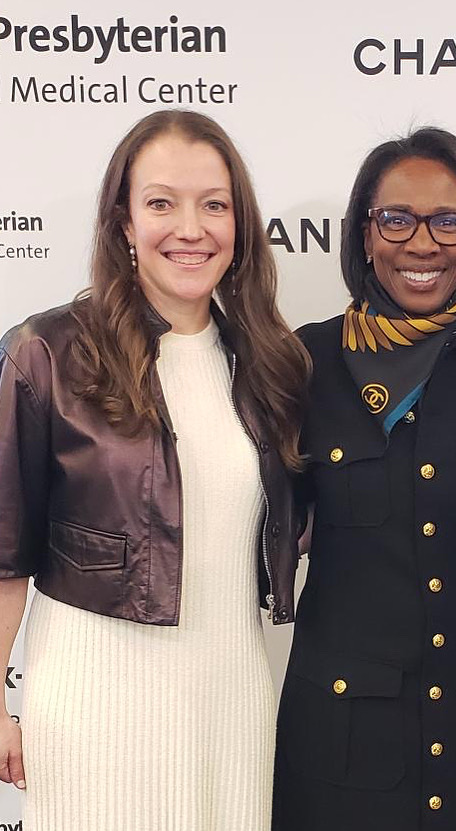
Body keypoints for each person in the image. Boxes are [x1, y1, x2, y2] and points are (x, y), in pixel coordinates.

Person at [0, 109, 310, 831]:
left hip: (231, 697)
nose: (191, 229)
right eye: (162, 202)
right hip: (92, 704)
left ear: (240, 223)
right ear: (124, 223)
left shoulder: (269, 363)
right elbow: (5, 553)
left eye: (214, 204)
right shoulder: (46, 353)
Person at [274, 127, 456, 830]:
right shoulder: (300, 365)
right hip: (341, 747)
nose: (422, 243)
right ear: (364, 236)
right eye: (396, 218)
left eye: (448, 220)